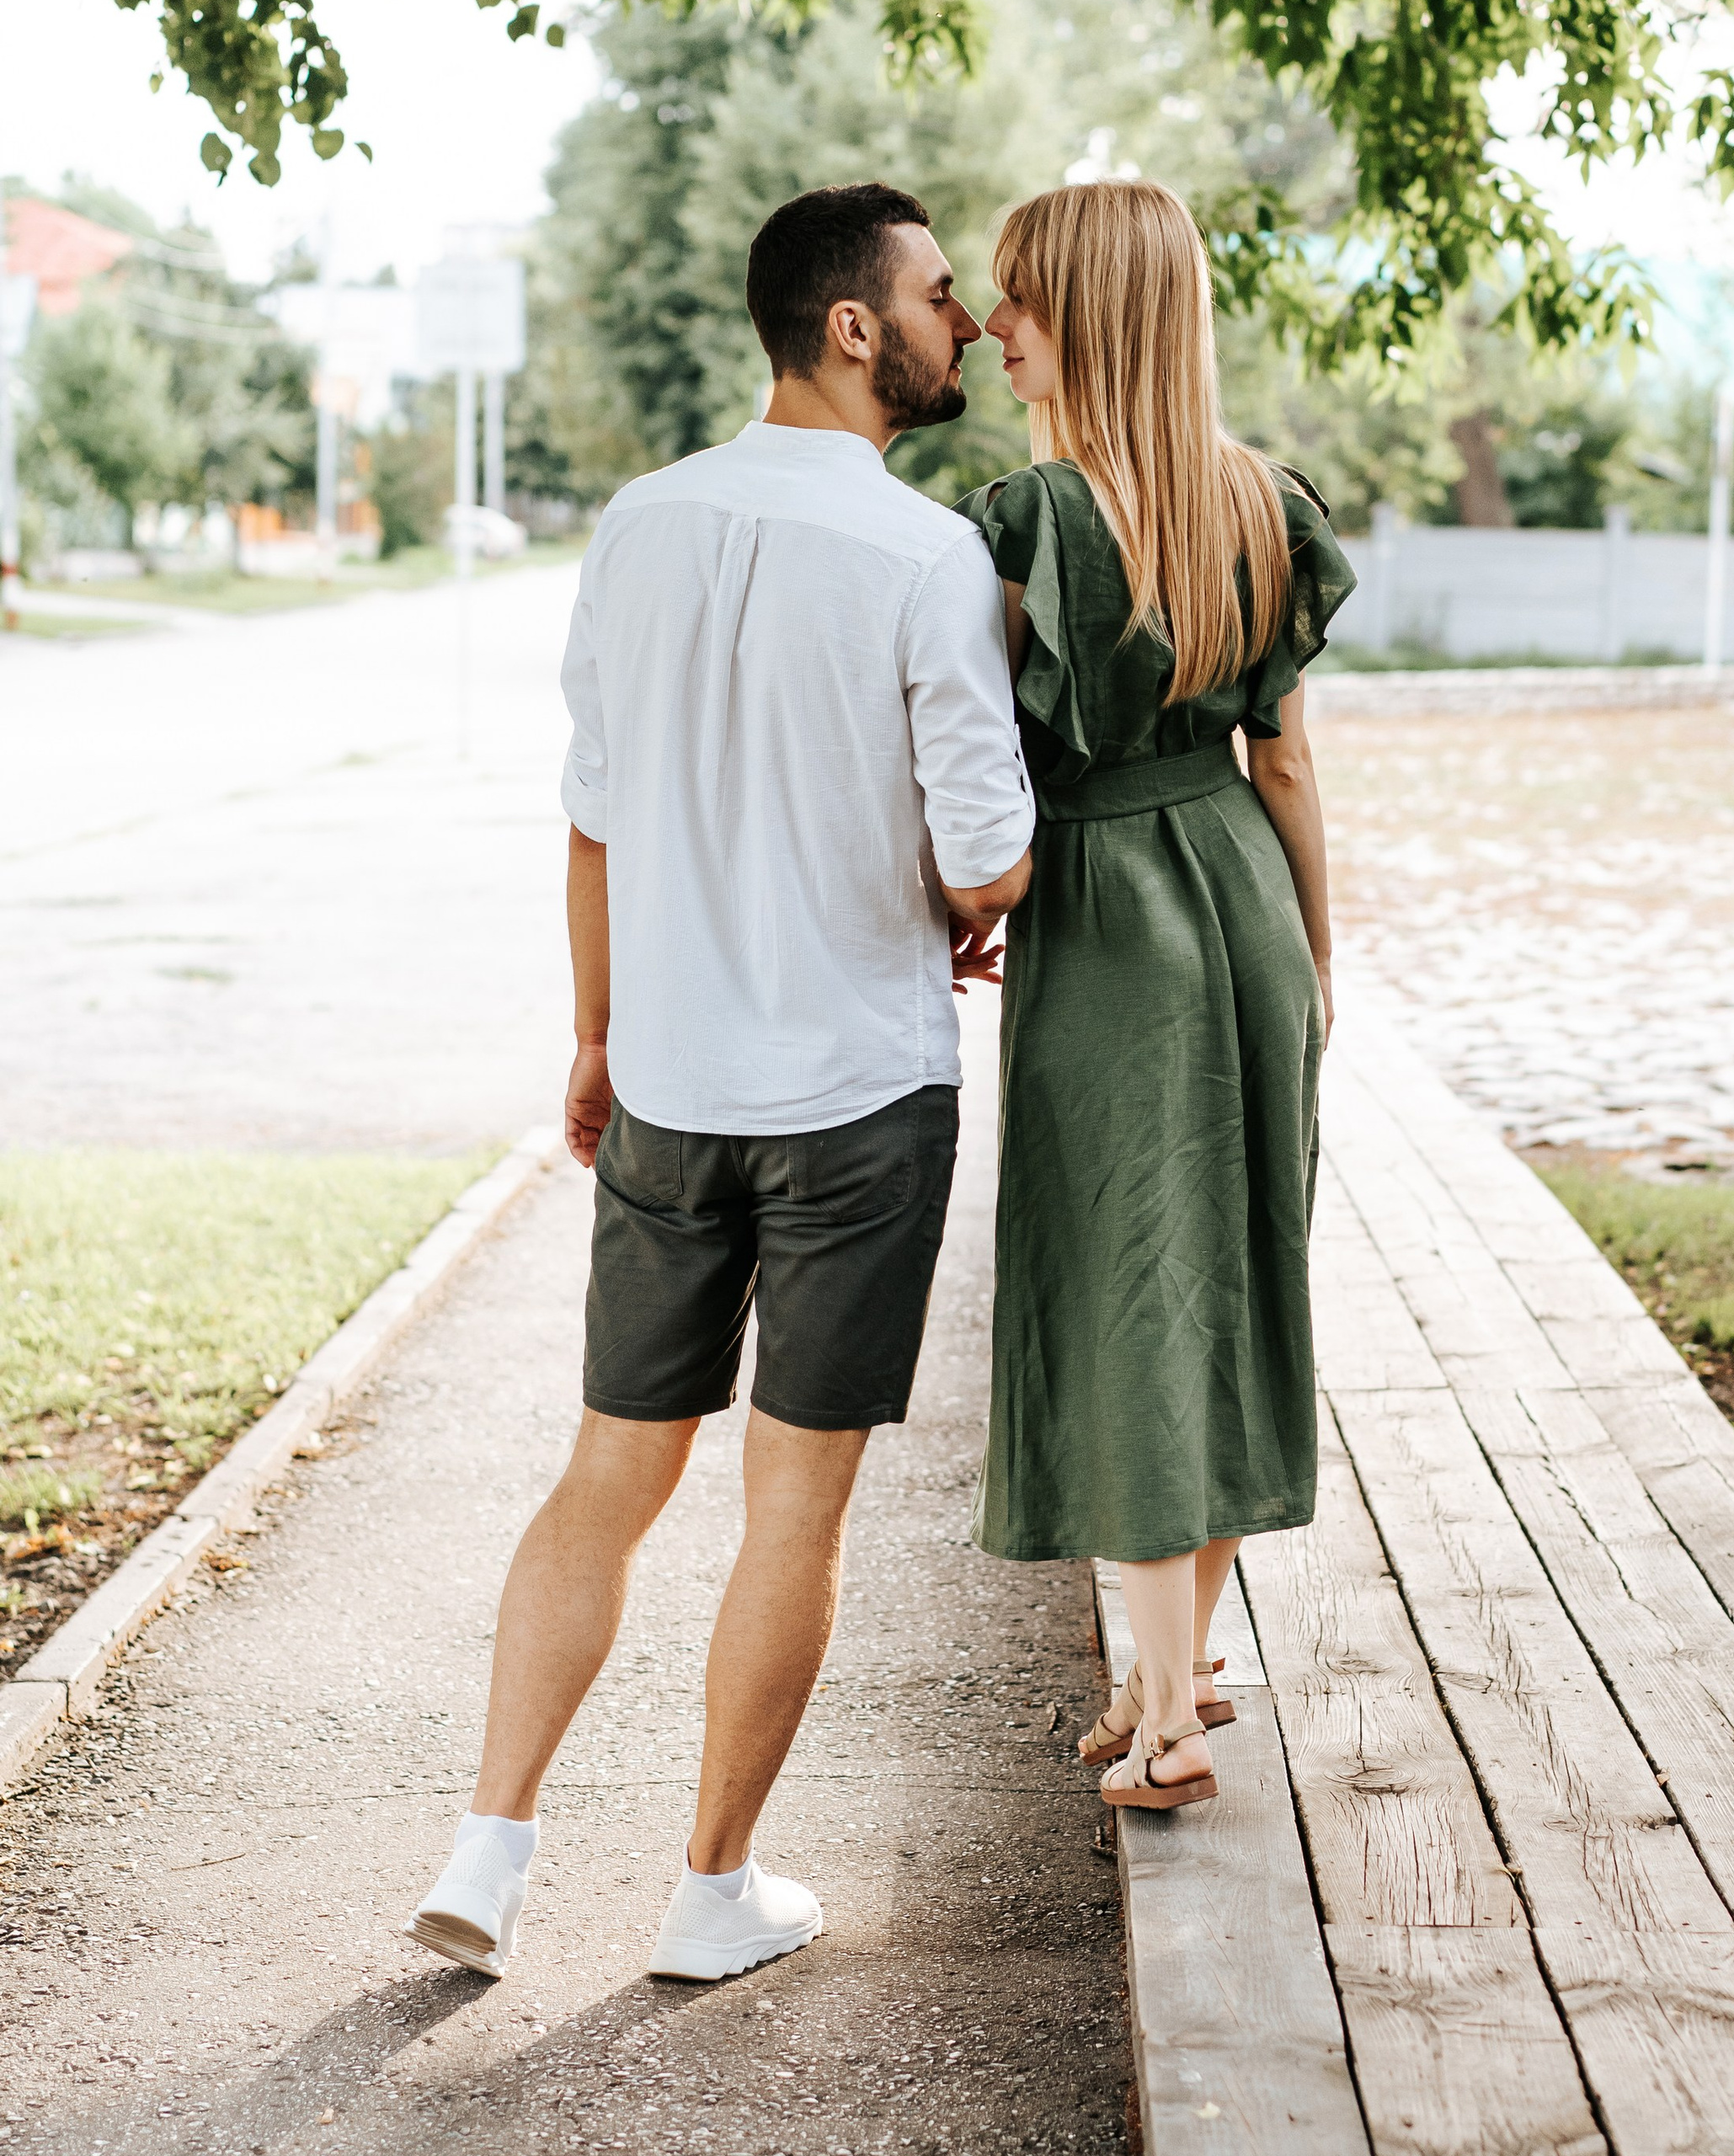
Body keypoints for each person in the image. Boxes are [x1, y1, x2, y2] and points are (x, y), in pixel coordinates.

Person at [403, 183, 1034, 1982]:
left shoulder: (638, 522)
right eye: (933, 295)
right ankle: (706, 1890)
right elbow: (987, 858)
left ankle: (491, 1842)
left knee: (606, 1471)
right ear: (853, 327)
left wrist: (597, 1036)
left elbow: (595, 809)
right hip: (855, 1094)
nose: (963, 323)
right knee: (792, 1503)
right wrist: (963, 874)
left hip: (669, 1083)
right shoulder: (926, 557)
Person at [958, 179, 1353, 1811]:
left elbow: (975, 768)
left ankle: (1171, 1719)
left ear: (1085, 315)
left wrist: (956, 907)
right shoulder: (1260, 500)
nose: (991, 327)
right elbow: (1287, 763)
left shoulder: (1023, 522)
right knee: (1222, 1274)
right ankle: (1175, 1665)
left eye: (1015, 298)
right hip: (1243, 905)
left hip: (1107, 916)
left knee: (1123, 1288)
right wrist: (1317, 964)